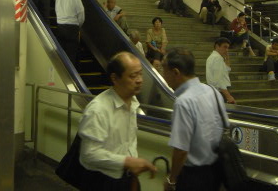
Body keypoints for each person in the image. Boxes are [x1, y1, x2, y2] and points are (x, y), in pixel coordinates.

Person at [78, 52, 157, 190]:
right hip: (104, 181)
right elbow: (88, 154)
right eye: (133, 76)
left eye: (140, 74)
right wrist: (128, 162)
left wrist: (132, 173)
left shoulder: (133, 101)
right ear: (115, 78)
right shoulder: (98, 109)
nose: (139, 80)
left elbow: (128, 142)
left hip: (126, 178)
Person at [162, 48, 227, 191]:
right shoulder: (213, 91)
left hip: (193, 177)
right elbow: (224, 125)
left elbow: (181, 150)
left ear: (175, 73)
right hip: (216, 170)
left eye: (164, 71)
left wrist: (172, 180)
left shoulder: (183, 102)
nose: (163, 76)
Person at [55, 0, 85, 66]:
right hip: (72, 28)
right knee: (71, 54)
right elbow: (81, 16)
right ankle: (70, 74)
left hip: (60, 27)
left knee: (61, 52)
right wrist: (78, 27)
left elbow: (57, 12)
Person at [206, 37, 235, 104]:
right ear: (217, 46)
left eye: (228, 48)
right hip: (220, 91)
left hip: (217, 91)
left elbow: (227, 70)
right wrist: (228, 96)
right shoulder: (217, 58)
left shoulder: (213, 57)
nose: (227, 50)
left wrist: (227, 57)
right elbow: (219, 80)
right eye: (225, 47)